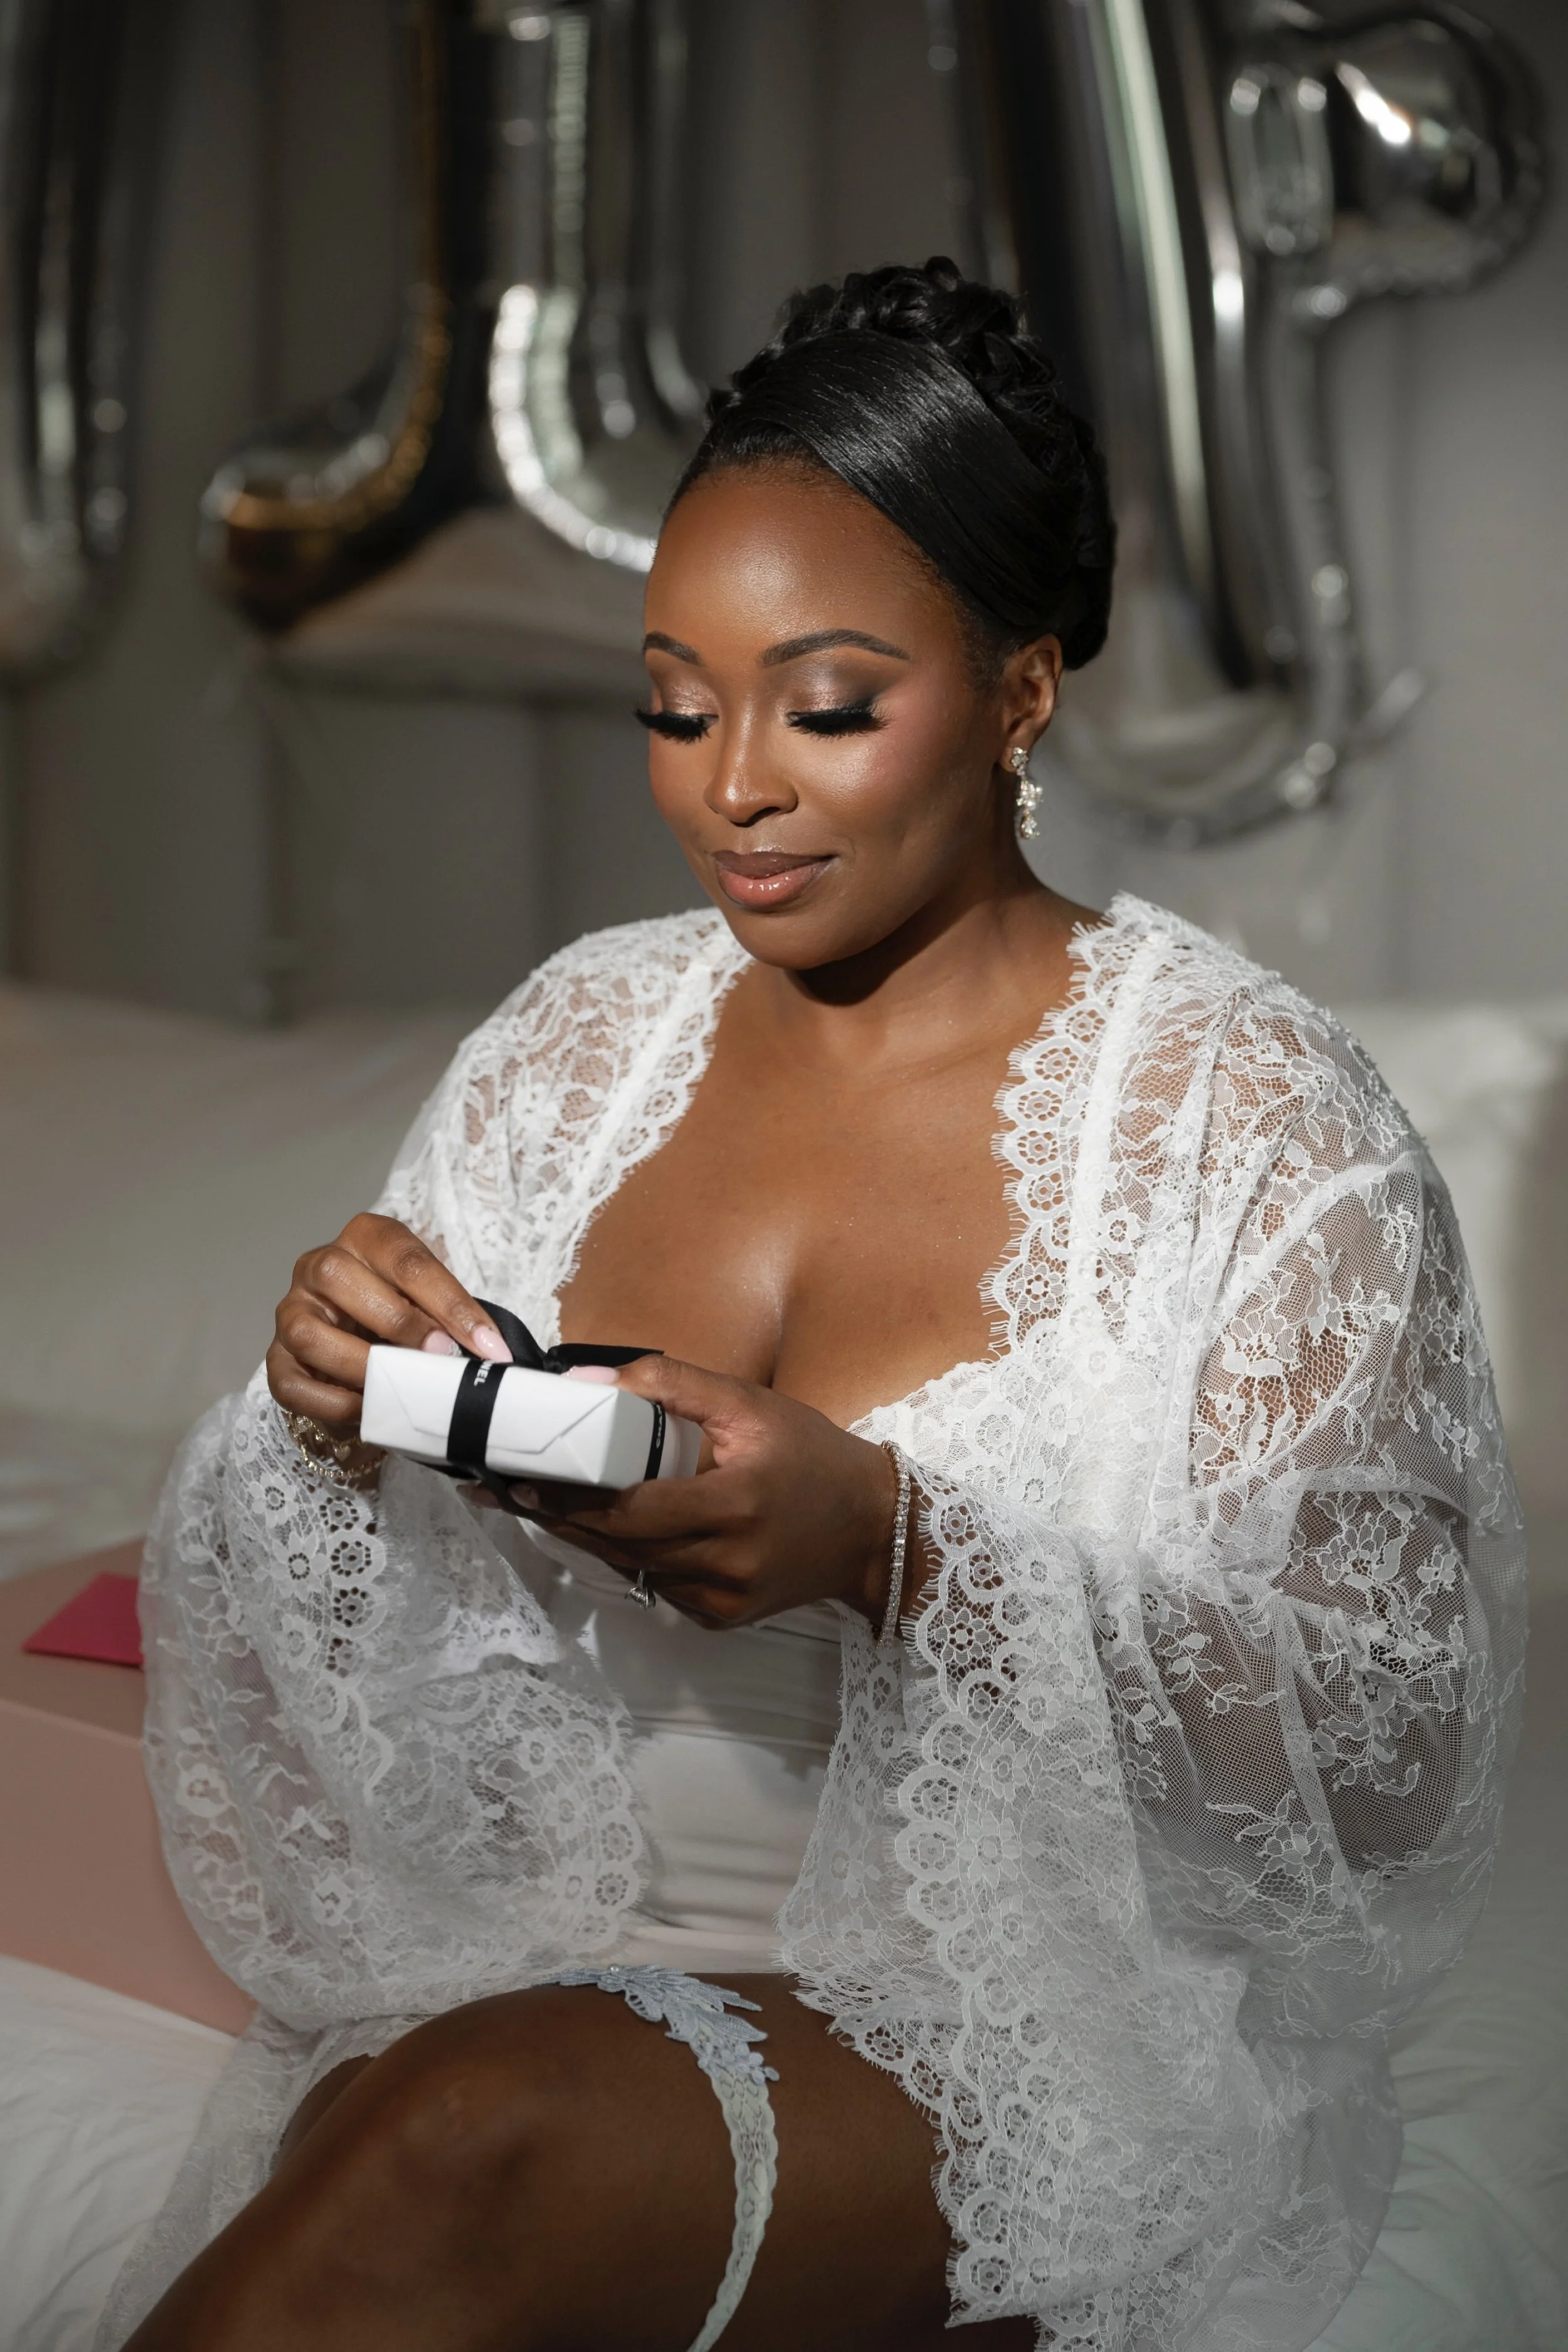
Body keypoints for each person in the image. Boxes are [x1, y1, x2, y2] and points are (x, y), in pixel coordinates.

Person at [102, 259, 1523, 2352]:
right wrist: (327, 1415)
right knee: (465, 2098)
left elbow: (1383, 1767)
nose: (730, 786)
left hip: (1024, 2027)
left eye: (827, 705)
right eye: (675, 705)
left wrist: (900, 1546)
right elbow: (322, 1704)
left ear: (1021, 691)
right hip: (527, 1955)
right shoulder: (572, 1045)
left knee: (474, 2130)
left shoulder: (1249, 1115)